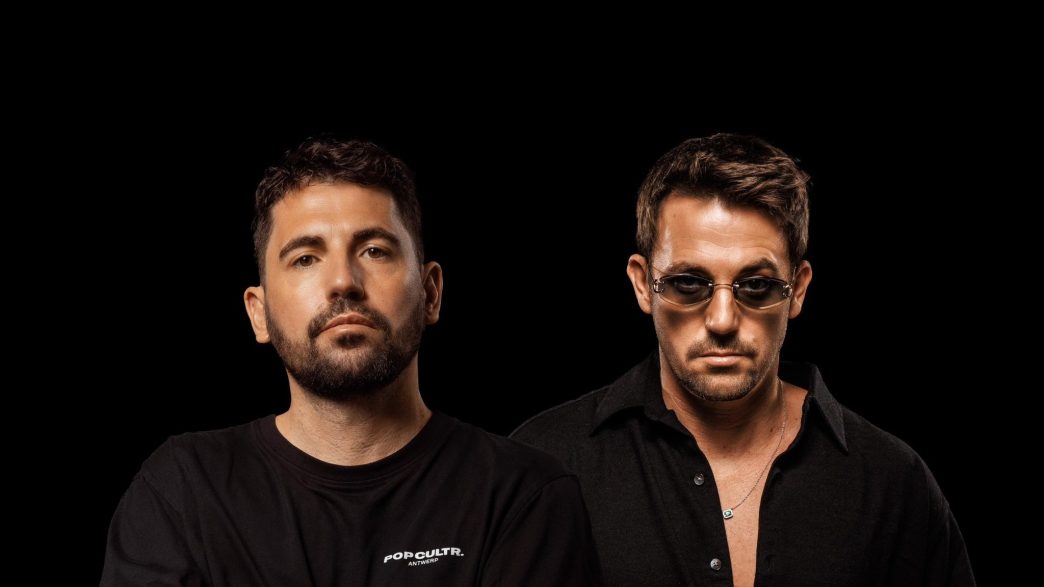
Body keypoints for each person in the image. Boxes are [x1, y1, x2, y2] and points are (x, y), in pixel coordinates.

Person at [102, 136, 602, 586]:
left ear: (430, 293)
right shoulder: (183, 488)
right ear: (259, 313)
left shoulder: (522, 493)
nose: (343, 281)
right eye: (305, 258)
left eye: (374, 250)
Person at [512, 134, 975, 586]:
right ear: (642, 284)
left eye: (756, 286)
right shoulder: (544, 463)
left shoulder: (893, 481)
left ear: (798, 290)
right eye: (687, 283)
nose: (722, 320)